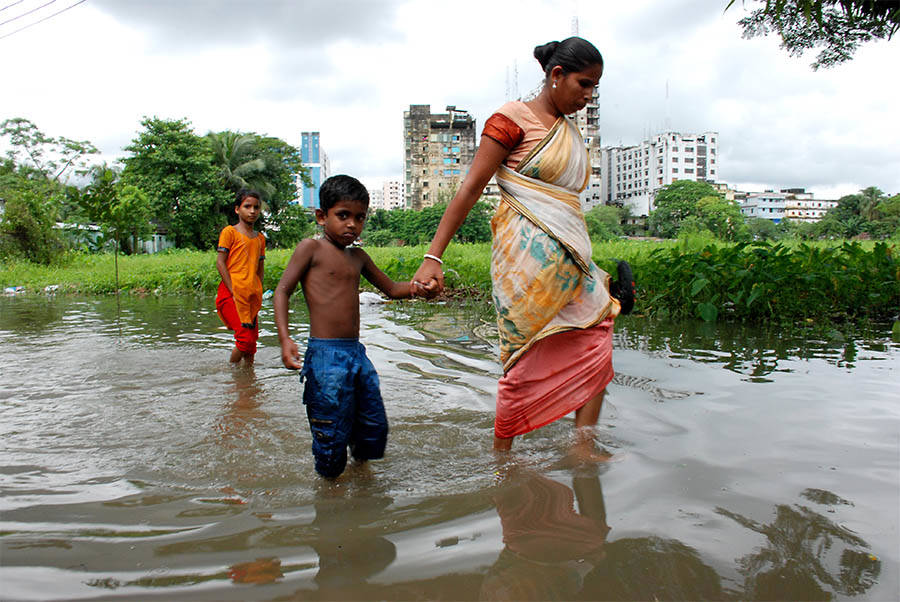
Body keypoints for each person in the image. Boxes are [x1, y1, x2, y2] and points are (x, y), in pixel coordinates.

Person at [412, 37, 634, 459]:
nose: (589, 96)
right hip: (522, 261)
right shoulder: (511, 119)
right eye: (584, 84)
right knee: (524, 359)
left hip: (574, 260)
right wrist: (433, 256)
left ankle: (582, 446)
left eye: (595, 88)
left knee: (597, 339)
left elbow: (563, 207)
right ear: (556, 76)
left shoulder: (569, 132)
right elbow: (471, 188)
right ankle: (503, 456)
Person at [273, 174, 421, 479]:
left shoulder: (358, 257)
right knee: (330, 432)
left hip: (356, 354)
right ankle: (330, 493)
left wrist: (420, 288)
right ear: (321, 216)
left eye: (359, 217)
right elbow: (282, 291)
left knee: (373, 425)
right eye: (343, 215)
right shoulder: (310, 249)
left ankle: (361, 476)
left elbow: (392, 289)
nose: (352, 224)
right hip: (325, 356)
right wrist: (285, 339)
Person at [216, 189, 266, 365]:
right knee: (245, 340)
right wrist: (232, 290)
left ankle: (248, 383)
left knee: (251, 346)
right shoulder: (229, 232)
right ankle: (231, 374)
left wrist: (258, 290)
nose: (252, 211)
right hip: (231, 294)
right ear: (237, 209)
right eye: (247, 206)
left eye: (256, 207)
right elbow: (220, 263)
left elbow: (260, 268)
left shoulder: (260, 239)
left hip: (251, 295)